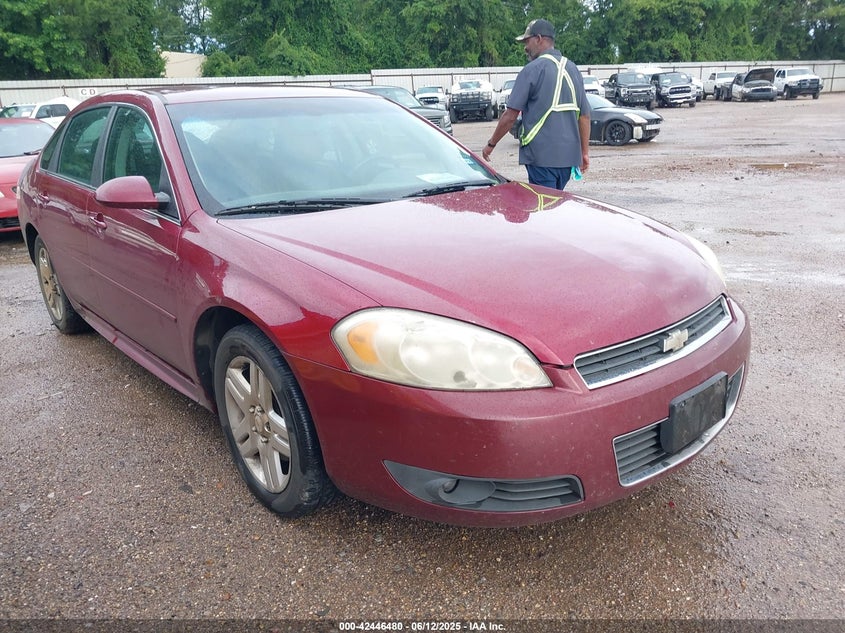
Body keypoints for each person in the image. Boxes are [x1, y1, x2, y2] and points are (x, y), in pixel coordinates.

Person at [482, 18, 591, 190]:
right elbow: (584, 116)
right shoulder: (573, 69)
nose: (525, 47)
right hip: (568, 159)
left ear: (539, 39)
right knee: (555, 201)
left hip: (541, 158)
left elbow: (510, 116)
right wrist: (584, 153)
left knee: (544, 204)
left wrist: (491, 144)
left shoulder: (532, 69)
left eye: (527, 41)